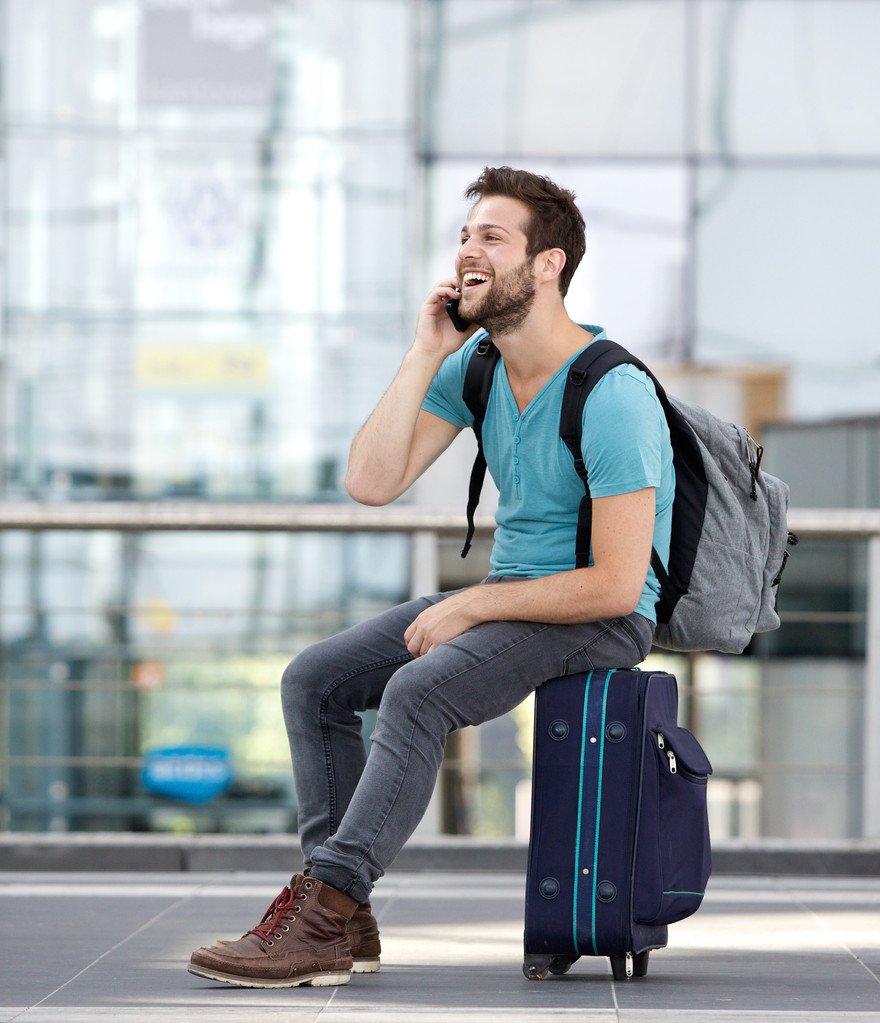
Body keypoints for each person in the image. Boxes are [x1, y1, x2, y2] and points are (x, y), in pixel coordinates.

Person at [188, 166, 675, 989]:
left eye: (491, 236)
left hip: (595, 611)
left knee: (418, 690)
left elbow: (619, 586)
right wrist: (424, 353)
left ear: (548, 264)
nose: (465, 253)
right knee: (315, 680)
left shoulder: (612, 392)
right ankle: (344, 924)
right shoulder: (476, 366)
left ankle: (323, 909)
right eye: (462, 236)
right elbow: (371, 481)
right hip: (514, 597)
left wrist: (475, 603)